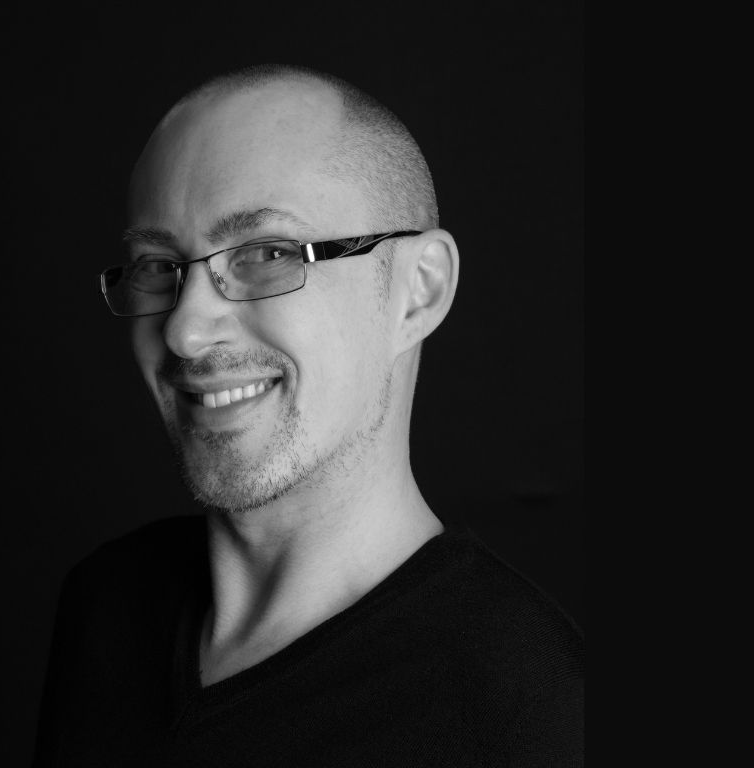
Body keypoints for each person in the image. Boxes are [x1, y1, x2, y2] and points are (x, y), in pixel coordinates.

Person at [32, 64, 583, 767]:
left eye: (268, 253)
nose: (185, 331)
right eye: (158, 265)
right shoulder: (108, 603)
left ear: (418, 291)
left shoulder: (530, 715)